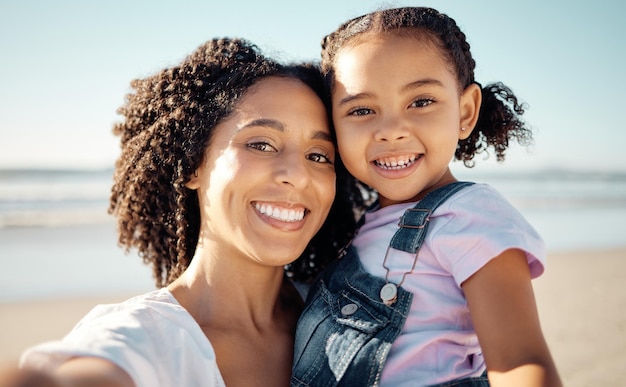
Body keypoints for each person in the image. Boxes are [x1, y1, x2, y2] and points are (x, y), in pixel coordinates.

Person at [1, 37, 362, 387]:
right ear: (192, 166)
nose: (298, 175)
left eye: (318, 156)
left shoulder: (353, 312)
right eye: (262, 144)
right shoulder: (143, 338)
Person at [291, 7, 562, 387]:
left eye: (420, 102)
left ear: (465, 112)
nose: (391, 130)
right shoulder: (354, 226)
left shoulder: (469, 216)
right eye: (362, 109)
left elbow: (519, 362)